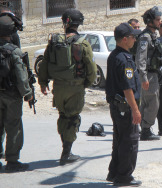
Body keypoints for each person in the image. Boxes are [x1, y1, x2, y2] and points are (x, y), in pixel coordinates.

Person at [38, 8, 97, 165]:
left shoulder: (54, 42)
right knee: (72, 118)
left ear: (65, 23)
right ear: (79, 24)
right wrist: (87, 83)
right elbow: (91, 69)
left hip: (58, 87)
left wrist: (43, 83)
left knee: (63, 116)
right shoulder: (83, 44)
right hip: (75, 87)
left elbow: (44, 64)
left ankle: (65, 148)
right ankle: (66, 153)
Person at [105, 22, 142, 186]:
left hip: (116, 107)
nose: (134, 40)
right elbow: (128, 89)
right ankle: (124, 176)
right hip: (125, 108)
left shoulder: (114, 55)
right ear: (125, 39)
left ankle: (114, 172)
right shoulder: (125, 59)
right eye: (133, 37)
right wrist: (135, 110)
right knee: (130, 141)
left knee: (119, 140)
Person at [0, 13, 32, 171]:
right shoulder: (14, 52)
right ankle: (12, 161)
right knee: (13, 126)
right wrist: (27, 93)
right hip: (12, 96)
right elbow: (21, 77)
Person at [135, 6, 162, 141]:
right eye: (158, 20)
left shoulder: (152, 36)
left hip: (153, 75)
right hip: (148, 75)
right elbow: (140, 59)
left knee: (148, 102)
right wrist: (144, 77)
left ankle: (144, 128)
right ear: (150, 21)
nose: (160, 22)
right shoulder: (145, 37)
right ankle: (146, 130)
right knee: (152, 103)